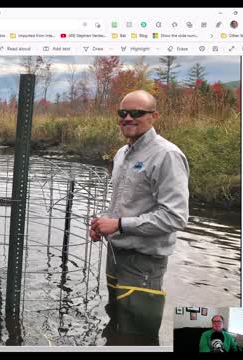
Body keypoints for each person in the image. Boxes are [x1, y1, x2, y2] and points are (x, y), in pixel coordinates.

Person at [89, 90, 190, 346]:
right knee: (118, 324)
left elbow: (175, 217)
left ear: (154, 116)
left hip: (144, 263)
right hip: (116, 256)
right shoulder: (122, 153)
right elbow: (123, 204)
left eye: (137, 113)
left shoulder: (167, 155)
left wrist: (120, 225)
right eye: (123, 113)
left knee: (138, 337)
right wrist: (104, 225)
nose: (128, 118)